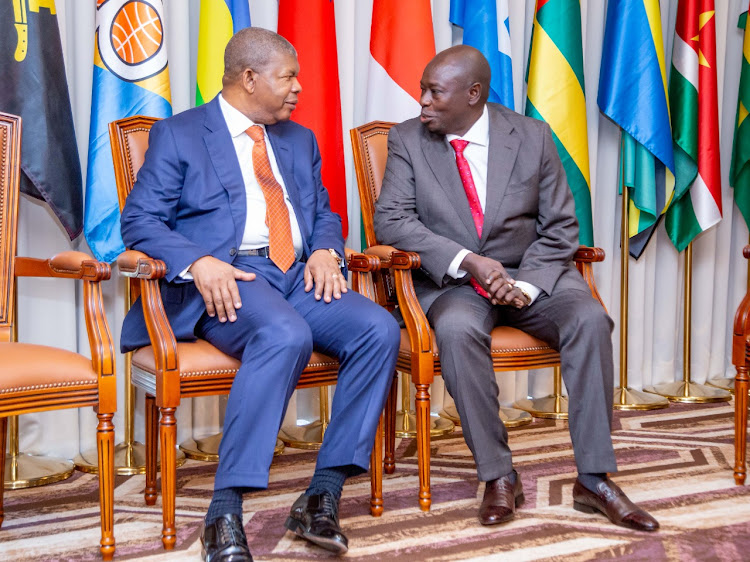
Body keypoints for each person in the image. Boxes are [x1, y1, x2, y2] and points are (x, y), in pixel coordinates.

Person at [120, 27, 400, 561]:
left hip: (297, 272)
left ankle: (323, 495)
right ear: (249, 78)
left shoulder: (298, 138)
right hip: (229, 279)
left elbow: (323, 212)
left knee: (378, 329)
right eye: (288, 76)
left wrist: (325, 250)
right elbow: (139, 221)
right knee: (284, 334)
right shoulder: (180, 134)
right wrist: (199, 262)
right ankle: (223, 512)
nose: (298, 88)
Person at [374, 45, 659, 532]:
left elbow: (560, 228)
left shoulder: (532, 136)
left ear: (473, 94)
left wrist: (525, 285)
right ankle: (499, 475)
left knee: (590, 318)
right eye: (423, 89)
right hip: (456, 281)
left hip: (534, 274)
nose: (421, 100)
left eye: (434, 91)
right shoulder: (407, 139)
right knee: (459, 332)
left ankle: (594, 477)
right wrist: (470, 263)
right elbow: (392, 220)